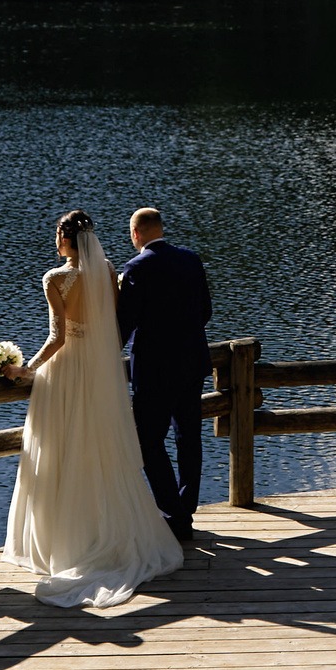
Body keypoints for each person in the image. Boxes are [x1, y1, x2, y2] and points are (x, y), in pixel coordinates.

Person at [0, 210, 183, 607]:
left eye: (56, 234)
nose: (55, 240)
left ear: (66, 238)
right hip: (98, 373)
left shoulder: (55, 279)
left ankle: (61, 543)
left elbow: (57, 337)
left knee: (58, 452)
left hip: (64, 375)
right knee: (98, 449)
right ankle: (100, 533)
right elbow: (111, 326)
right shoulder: (107, 270)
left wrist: (25, 369)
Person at [114, 205, 211, 539]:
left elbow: (124, 324)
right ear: (160, 228)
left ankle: (173, 513)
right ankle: (186, 505)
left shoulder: (137, 267)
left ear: (136, 234)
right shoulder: (191, 259)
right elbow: (205, 311)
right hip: (192, 363)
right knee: (189, 436)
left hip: (155, 370)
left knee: (148, 441)